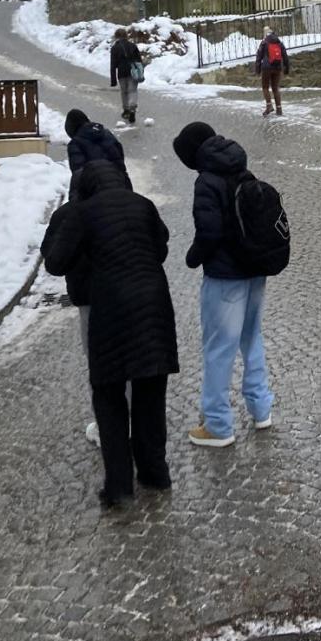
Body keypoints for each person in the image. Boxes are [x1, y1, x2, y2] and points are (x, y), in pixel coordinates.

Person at [41, 161, 178, 507]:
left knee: (109, 395)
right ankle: (155, 473)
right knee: (150, 390)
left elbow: (56, 263)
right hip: (154, 305)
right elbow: (161, 249)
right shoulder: (143, 205)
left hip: (111, 310)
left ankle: (119, 487)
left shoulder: (82, 213)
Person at [173, 121, 278, 447]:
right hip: (255, 268)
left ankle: (218, 424)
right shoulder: (239, 166)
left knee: (219, 349)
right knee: (251, 337)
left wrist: (193, 257)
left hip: (225, 277)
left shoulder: (207, 180)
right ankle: (261, 409)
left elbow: (209, 231)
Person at [65, 108, 130, 199]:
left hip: (96, 191)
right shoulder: (107, 134)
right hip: (121, 184)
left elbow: (79, 175)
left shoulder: (75, 144)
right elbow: (120, 160)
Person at [110, 27, 143, 125]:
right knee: (132, 90)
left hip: (121, 73)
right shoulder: (132, 46)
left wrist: (113, 80)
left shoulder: (115, 48)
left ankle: (126, 110)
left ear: (116, 36)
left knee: (124, 92)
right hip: (133, 72)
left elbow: (113, 64)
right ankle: (132, 108)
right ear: (126, 36)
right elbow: (139, 60)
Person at [256, 25, 290, 117]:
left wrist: (258, 69)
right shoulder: (279, 42)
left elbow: (259, 56)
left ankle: (269, 106)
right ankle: (279, 109)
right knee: (275, 88)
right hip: (277, 67)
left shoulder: (264, 42)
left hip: (266, 68)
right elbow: (285, 56)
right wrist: (287, 68)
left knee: (265, 87)